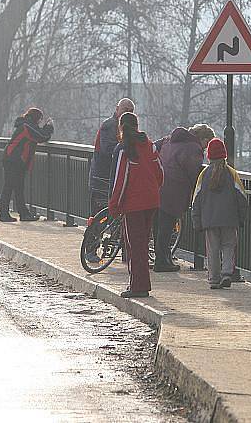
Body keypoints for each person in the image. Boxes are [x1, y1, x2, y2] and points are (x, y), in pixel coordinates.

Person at [108, 112, 163, 298]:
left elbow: (120, 180)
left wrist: (114, 205)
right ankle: (141, 284)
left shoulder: (125, 150)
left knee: (134, 246)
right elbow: (159, 173)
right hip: (151, 201)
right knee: (144, 243)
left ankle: (138, 285)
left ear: (121, 127)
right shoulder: (150, 146)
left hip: (133, 204)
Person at [152, 123, 215, 272]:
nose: (206, 149)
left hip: (158, 187)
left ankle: (162, 257)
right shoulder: (193, 148)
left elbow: (153, 148)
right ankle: (162, 262)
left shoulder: (170, 140)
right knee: (167, 228)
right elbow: (193, 174)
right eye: (207, 143)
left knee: (159, 226)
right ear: (203, 139)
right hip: (174, 191)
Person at [191, 138, 248, 289]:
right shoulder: (232, 173)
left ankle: (214, 278)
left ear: (208, 156)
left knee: (213, 249)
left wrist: (196, 220)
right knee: (229, 246)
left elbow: (196, 199)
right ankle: (227, 273)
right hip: (230, 218)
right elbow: (242, 197)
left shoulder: (204, 175)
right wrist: (241, 218)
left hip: (209, 220)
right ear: (224, 155)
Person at [0, 107, 53, 222]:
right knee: (9, 187)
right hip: (14, 160)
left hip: (14, 160)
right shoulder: (26, 127)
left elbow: (38, 133)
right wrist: (49, 127)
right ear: (36, 118)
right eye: (39, 120)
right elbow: (41, 136)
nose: (39, 122)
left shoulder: (26, 125)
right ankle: (5, 214)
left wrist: (45, 128)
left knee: (17, 187)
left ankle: (22, 213)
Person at [88, 98, 135, 217]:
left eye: (131, 111)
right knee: (100, 213)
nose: (128, 113)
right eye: (126, 110)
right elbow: (108, 149)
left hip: (108, 177)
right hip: (103, 177)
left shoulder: (121, 127)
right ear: (117, 109)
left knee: (105, 213)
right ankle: (94, 234)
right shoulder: (110, 126)